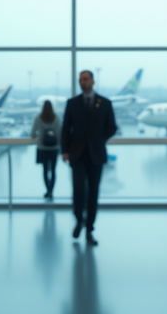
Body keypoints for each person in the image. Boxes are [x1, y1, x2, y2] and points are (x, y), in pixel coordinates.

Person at [61, 70, 117, 246]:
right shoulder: (72, 103)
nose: (82, 82)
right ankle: (79, 220)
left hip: (96, 154)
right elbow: (65, 128)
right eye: (80, 80)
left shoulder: (105, 103)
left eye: (85, 79)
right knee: (78, 191)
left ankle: (89, 229)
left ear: (93, 81)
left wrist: (99, 140)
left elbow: (112, 127)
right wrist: (65, 150)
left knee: (93, 193)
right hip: (77, 155)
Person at [31, 100, 62, 199]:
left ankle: (47, 190)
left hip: (42, 148)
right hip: (54, 148)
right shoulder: (56, 118)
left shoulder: (38, 118)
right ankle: (51, 191)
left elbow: (32, 134)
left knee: (45, 170)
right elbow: (60, 133)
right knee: (53, 170)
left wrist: (39, 137)